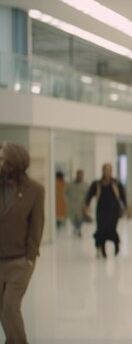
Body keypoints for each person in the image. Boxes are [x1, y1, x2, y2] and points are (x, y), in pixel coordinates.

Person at [0, 141, 44, 343]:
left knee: (10, 306)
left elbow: (37, 226)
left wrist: (29, 258)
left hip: (19, 261)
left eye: (2, 159)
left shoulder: (35, 189)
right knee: (2, 308)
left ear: (13, 162)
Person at [85, 163, 127, 258]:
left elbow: (123, 196)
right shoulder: (97, 184)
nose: (108, 172)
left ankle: (116, 244)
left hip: (113, 210)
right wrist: (86, 206)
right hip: (101, 210)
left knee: (111, 229)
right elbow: (89, 195)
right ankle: (102, 250)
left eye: (109, 170)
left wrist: (126, 208)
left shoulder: (116, 183)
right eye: (106, 170)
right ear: (103, 171)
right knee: (101, 229)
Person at [65, 169, 89, 237]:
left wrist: (87, 205)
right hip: (72, 205)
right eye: (79, 174)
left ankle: (78, 229)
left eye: (81, 175)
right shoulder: (70, 184)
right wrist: (67, 200)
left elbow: (88, 195)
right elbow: (65, 192)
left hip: (81, 205)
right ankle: (76, 228)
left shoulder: (85, 185)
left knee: (80, 218)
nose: (80, 176)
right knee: (72, 218)